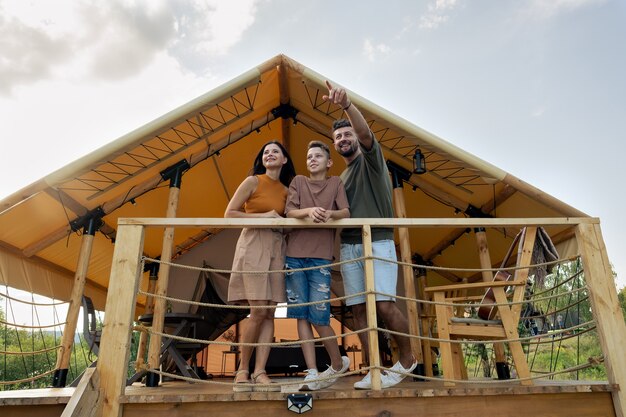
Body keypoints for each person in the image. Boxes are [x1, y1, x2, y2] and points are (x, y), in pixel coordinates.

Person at [324, 80, 417, 389]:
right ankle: (375, 366)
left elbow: (365, 134)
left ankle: (407, 359)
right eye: (338, 137)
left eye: (346, 133)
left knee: (384, 305)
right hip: (349, 245)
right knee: (359, 310)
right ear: (334, 145)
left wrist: (347, 106)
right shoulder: (339, 178)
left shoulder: (371, 161)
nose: (343, 139)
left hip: (376, 240)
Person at [225, 140, 296, 392]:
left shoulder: (288, 190)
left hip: (277, 247)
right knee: (257, 311)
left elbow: (293, 218)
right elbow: (229, 214)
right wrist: (264, 216)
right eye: (265, 151)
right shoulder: (252, 181)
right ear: (262, 159)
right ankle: (243, 369)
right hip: (253, 242)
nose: (270, 154)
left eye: (275, 151)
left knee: (270, 311)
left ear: (284, 159)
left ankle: (260, 372)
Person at [285, 140, 351, 391]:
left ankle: (336, 362)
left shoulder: (335, 183)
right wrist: (309, 211)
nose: (312, 159)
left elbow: (345, 211)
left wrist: (330, 214)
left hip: (321, 256)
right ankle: (312, 370)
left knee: (320, 314)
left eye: (318, 156)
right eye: (309, 156)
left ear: (329, 162)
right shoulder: (298, 181)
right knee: (300, 314)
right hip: (293, 256)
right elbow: (289, 211)